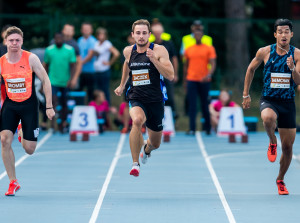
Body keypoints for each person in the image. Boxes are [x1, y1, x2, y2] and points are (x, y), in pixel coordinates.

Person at [242, 19, 300, 195]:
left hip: (287, 103)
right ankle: (272, 141)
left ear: (291, 34)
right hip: (269, 99)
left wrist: (293, 69)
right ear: (275, 34)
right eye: (280, 31)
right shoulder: (265, 51)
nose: (283, 35)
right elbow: (251, 69)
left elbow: (298, 81)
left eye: (286, 31)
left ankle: (280, 179)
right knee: (267, 118)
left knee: (289, 148)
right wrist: (246, 94)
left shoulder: (297, 55)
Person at [114, 19, 174, 177]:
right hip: (136, 97)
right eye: (138, 33)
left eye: (144, 33)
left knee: (155, 143)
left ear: (150, 35)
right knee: (137, 120)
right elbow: (127, 65)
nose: (141, 36)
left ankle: (146, 150)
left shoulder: (159, 50)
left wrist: (154, 59)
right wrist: (122, 85)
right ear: (133, 35)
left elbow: (170, 75)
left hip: (155, 100)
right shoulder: (128, 51)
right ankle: (135, 164)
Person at [0, 26, 55, 196]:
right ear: (5, 42)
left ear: (22, 41)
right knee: (4, 140)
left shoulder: (31, 58)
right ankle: (12, 182)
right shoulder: (1, 61)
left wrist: (49, 106)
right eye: (11, 40)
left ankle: (22, 131)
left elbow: (46, 80)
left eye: (17, 40)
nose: (14, 43)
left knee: (29, 149)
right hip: (10, 104)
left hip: (29, 105)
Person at [184, 29, 217, 135]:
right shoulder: (189, 49)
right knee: (192, 105)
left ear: (202, 35)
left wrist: (209, 74)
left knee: (205, 104)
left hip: (204, 80)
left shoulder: (209, 48)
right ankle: (192, 128)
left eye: (199, 34)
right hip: (191, 79)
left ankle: (207, 128)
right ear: (194, 36)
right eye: (196, 34)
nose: (198, 36)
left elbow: (213, 63)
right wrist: (185, 80)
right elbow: (186, 65)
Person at [44, 32, 76, 133]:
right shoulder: (49, 50)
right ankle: (53, 125)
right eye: (56, 38)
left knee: (64, 103)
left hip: (65, 81)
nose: (58, 40)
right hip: (53, 80)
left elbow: (73, 65)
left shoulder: (69, 50)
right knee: (53, 101)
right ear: (54, 39)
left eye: (60, 38)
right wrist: (45, 79)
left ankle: (62, 124)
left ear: (63, 39)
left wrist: (71, 79)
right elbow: (46, 65)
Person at [83, 27, 120, 104]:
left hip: (104, 71)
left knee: (104, 89)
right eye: (99, 34)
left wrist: (109, 63)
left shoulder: (107, 44)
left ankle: (106, 107)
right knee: (96, 90)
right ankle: (97, 106)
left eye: (103, 34)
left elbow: (116, 53)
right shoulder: (96, 43)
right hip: (96, 70)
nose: (101, 36)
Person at [151, 20, 179, 120]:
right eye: (156, 33)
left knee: (170, 97)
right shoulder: (150, 45)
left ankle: (173, 117)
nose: (158, 35)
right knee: (155, 97)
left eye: (159, 33)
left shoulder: (168, 44)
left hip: (167, 73)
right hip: (154, 74)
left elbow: (174, 58)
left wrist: (175, 73)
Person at [77, 22, 97, 101]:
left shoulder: (93, 41)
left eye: (87, 29)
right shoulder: (79, 40)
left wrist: (79, 63)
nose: (85, 31)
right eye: (84, 29)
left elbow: (90, 55)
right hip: (80, 71)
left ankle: (90, 108)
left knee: (90, 92)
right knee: (79, 91)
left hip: (90, 71)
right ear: (81, 30)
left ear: (91, 30)